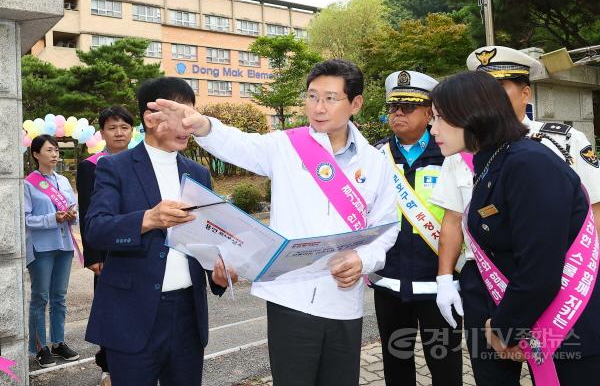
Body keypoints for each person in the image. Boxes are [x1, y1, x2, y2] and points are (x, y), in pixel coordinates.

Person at [146, 59, 398, 386]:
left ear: (356, 103)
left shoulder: (377, 163)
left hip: (344, 303)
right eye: (312, 96)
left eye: (330, 98)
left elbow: (387, 228)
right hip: (290, 300)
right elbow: (237, 143)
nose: (318, 107)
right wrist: (203, 124)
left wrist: (363, 259)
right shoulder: (286, 146)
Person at [430, 46, 600, 384]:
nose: (431, 128)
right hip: (510, 304)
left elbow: (540, 268)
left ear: (472, 114)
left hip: (565, 318)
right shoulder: (496, 160)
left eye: (438, 117)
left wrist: (505, 327)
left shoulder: (527, 163)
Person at [84, 77, 235, 386]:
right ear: (150, 118)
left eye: (193, 115)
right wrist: (147, 219)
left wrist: (218, 275)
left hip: (187, 317)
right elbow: (95, 229)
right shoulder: (116, 167)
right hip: (131, 315)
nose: (190, 124)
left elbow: (208, 238)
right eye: (182, 114)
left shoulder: (198, 173)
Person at [369, 70, 462, 386]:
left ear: (429, 111)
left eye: (408, 107)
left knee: (445, 364)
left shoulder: (450, 152)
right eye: (394, 106)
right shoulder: (375, 155)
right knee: (396, 364)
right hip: (389, 282)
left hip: (439, 285)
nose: (398, 113)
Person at [76, 106, 134, 385]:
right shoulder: (91, 166)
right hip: (107, 251)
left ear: (132, 130)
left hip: (139, 245)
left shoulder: (141, 162)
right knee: (109, 308)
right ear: (102, 133)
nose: (119, 132)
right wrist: (93, 255)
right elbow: (87, 211)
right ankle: (108, 366)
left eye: (124, 127)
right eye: (112, 128)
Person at [25, 134, 80, 368]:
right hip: (42, 247)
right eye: (49, 150)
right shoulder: (28, 184)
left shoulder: (64, 181)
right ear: (36, 154)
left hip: (64, 245)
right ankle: (40, 347)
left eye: (56, 150)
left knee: (60, 297)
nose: (55, 154)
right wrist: (52, 218)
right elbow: (26, 220)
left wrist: (71, 215)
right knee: (40, 297)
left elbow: (72, 208)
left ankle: (58, 342)